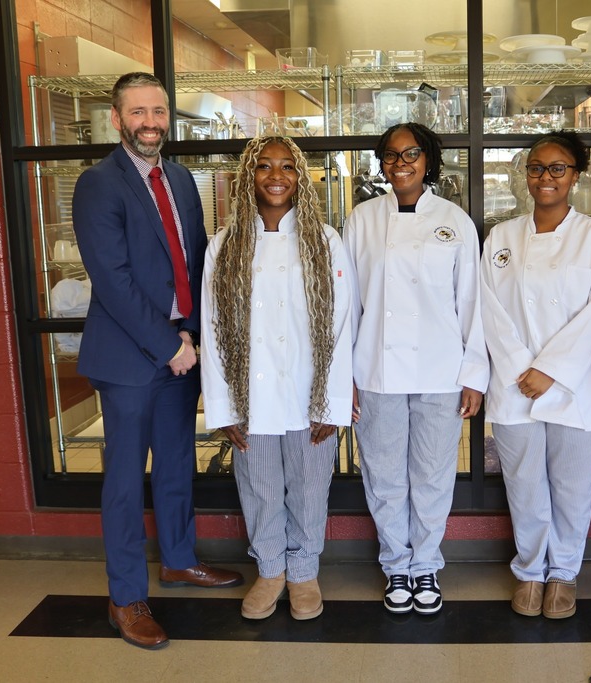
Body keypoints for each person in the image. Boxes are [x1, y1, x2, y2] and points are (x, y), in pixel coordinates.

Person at [72, 72, 242, 651]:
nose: (150, 123)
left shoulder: (181, 179)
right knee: (123, 482)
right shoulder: (99, 184)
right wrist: (169, 346)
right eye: (138, 112)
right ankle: (125, 598)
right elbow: (113, 282)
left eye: (159, 111)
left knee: (176, 463)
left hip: (182, 348)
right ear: (118, 119)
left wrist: (192, 337)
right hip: (131, 357)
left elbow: (193, 262)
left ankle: (177, 560)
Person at [200, 136, 353, 622]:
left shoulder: (326, 240)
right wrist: (223, 408)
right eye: (264, 166)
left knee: (309, 488)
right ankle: (270, 570)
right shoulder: (223, 245)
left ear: (301, 176)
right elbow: (213, 327)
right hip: (252, 397)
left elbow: (343, 323)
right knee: (260, 487)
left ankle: (304, 572)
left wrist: (331, 403)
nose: (275, 175)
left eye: (287, 166)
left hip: (309, 393)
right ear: (248, 176)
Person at [345, 122, 489, 615]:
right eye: (390, 155)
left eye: (410, 154)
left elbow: (470, 301)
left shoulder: (455, 221)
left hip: (441, 370)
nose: (400, 164)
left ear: (428, 159)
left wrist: (474, 373)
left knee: (431, 473)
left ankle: (425, 562)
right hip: (376, 367)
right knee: (384, 474)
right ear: (380, 162)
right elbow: (349, 305)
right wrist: (344, 373)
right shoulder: (362, 219)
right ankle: (396, 566)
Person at [480, 131, 591, 619]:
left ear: (576, 176)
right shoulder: (501, 237)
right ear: (526, 176)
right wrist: (524, 369)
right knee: (523, 484)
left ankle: (563, 574)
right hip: (514, 382)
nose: (546, 177)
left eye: (557, 168)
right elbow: (488, 308)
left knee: (572, 486)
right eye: (537, 168)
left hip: (575, 385)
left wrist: (550, 370)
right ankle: (530, 572)